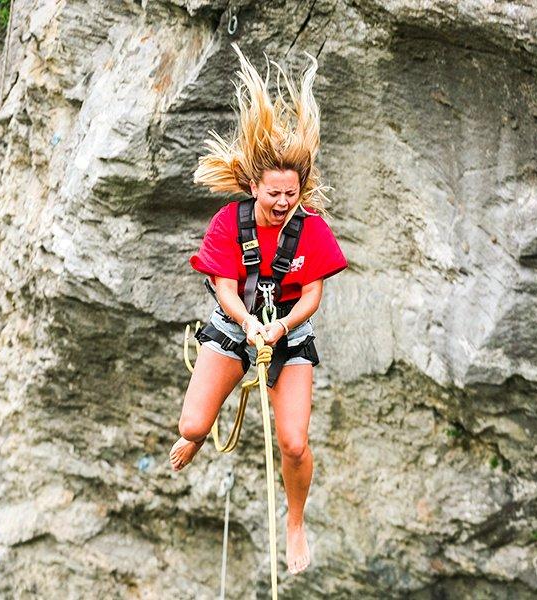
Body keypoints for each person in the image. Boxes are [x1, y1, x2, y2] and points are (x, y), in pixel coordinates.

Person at [169, 42, 348, 576]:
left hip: (288, 331)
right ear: (253, 187)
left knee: (293, 442)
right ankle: (198, 437)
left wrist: (282, 327)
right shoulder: (231, 222)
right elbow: (225, 288)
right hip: (236, 322)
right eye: (273, 193)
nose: (282, 202)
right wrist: (249, 324)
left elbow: (313, 294)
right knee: (193, 425)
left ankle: (295, 521)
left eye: (290, 194)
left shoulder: (310, 229)